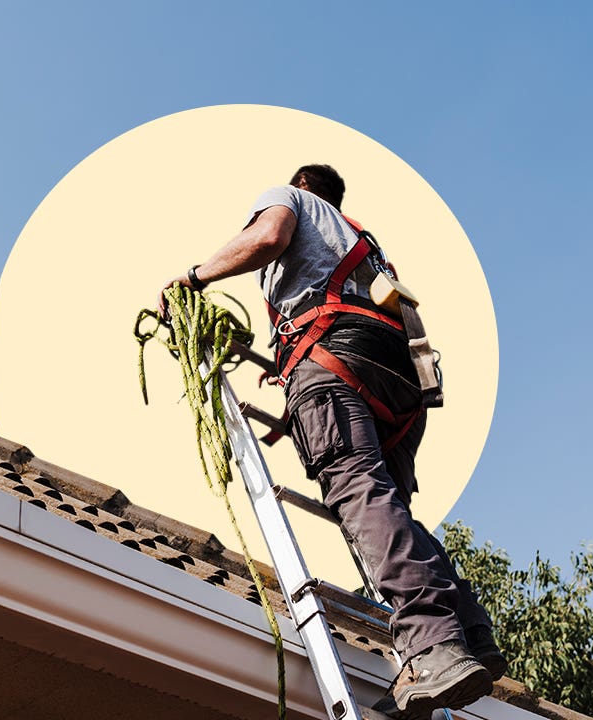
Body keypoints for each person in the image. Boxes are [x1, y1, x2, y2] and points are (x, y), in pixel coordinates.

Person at [160, 165, 505, 718]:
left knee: (359, 492)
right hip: (398, 376)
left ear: (300, 184)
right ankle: (467, 631)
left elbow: (268, 236)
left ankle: (433, 645)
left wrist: (194, 277)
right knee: (387, 503)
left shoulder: (288, 199)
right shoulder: (362, 241)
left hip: (333, 355)